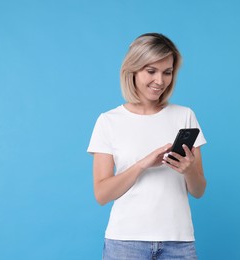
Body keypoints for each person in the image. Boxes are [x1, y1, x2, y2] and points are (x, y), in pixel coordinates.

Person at [87, 33, 207, 260]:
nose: (160, 81)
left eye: (167, 72)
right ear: (133, 70)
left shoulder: (185, 116)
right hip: (125, 243)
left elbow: (199, 191)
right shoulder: (108, 121)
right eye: (151, 71)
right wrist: (143, 164)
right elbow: (102, 194)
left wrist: (188, 169)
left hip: (178, 243)